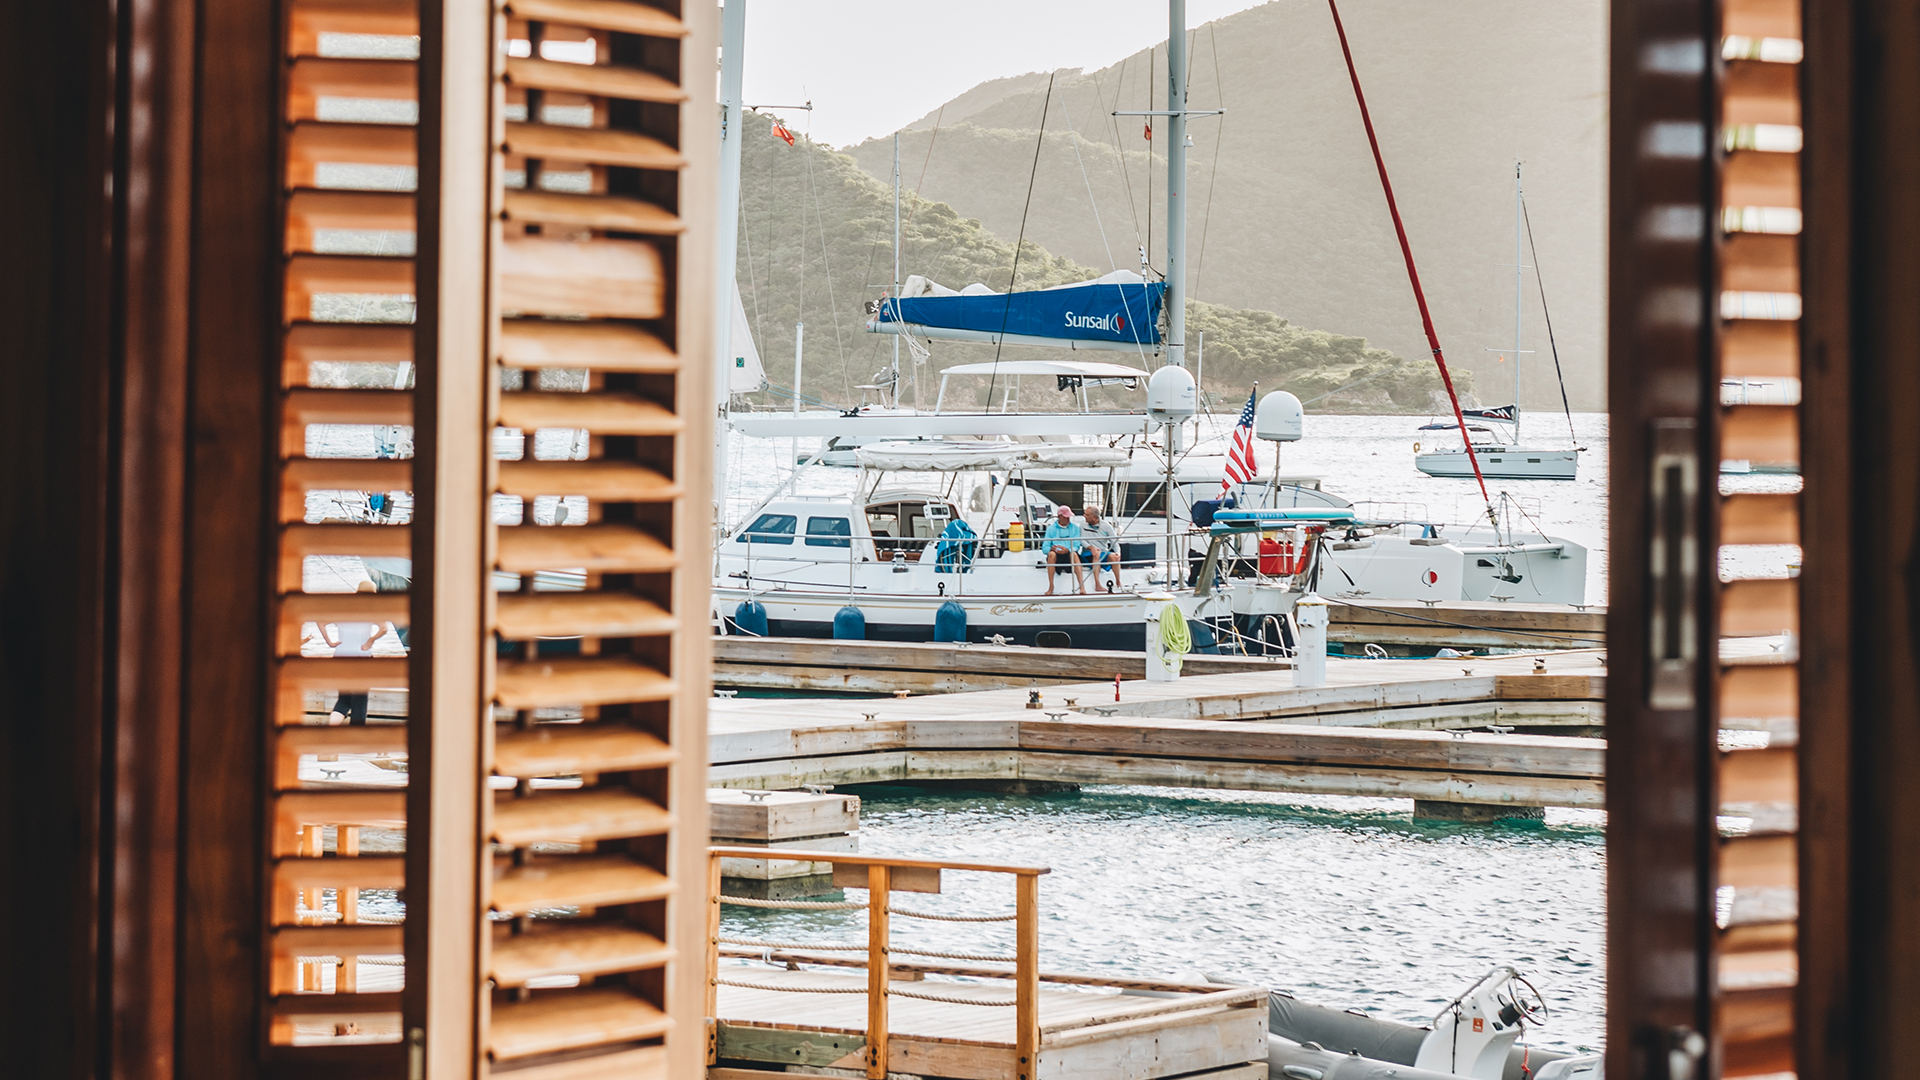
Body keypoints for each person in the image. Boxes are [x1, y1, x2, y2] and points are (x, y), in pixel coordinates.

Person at [325, 581, 389, 726]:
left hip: (340, 658)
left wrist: (330, 642)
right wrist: (371, 641)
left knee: (344, 700)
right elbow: (384, 628)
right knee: (360, 699)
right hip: (361, 659)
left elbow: (321, 621)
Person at [1041, 505, 1086, 595]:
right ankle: (1051, 586)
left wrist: (1067, 550)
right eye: (1066, 517)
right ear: (1059, 517)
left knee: (1074, 554)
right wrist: (1051, 549)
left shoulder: (1074, 528)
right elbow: (1044, 548)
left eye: (1069, 517)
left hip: (1069, 554)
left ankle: (1082, 586)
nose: (1068, 519)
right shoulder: (1051, 529)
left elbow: (1077, 545)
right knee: (1051, 554)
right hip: (1056, 555)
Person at [1079, 506, 1123, 592]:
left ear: (1094, 517)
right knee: (1096, 553)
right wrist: (1091, 547)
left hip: (1103, 551)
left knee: (1114, 557)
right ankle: (1097, 584)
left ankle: (1118, 581)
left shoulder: (1106, 526)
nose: (1084, 516)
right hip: (1088, 552)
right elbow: (1082, 540)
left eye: (1087, 515)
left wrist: (1118, 553)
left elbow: (1114, 542)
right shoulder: (1083, 525)